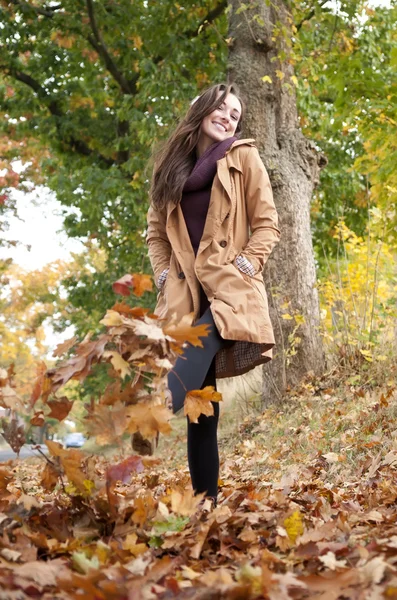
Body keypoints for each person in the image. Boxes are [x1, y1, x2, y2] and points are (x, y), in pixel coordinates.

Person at [145, 82, 280, 504]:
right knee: (201, 408)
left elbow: (267, 222)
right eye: (222, 109)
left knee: (193, 357)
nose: (228, 117)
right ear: (201, 111)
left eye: (235, 114)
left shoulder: (244, 156)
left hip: (229, 287)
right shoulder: (171, 169)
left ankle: (147, 416)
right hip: (187, 293)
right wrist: (163, 273)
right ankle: (207, 503)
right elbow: (154, 232)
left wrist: (249, 260)